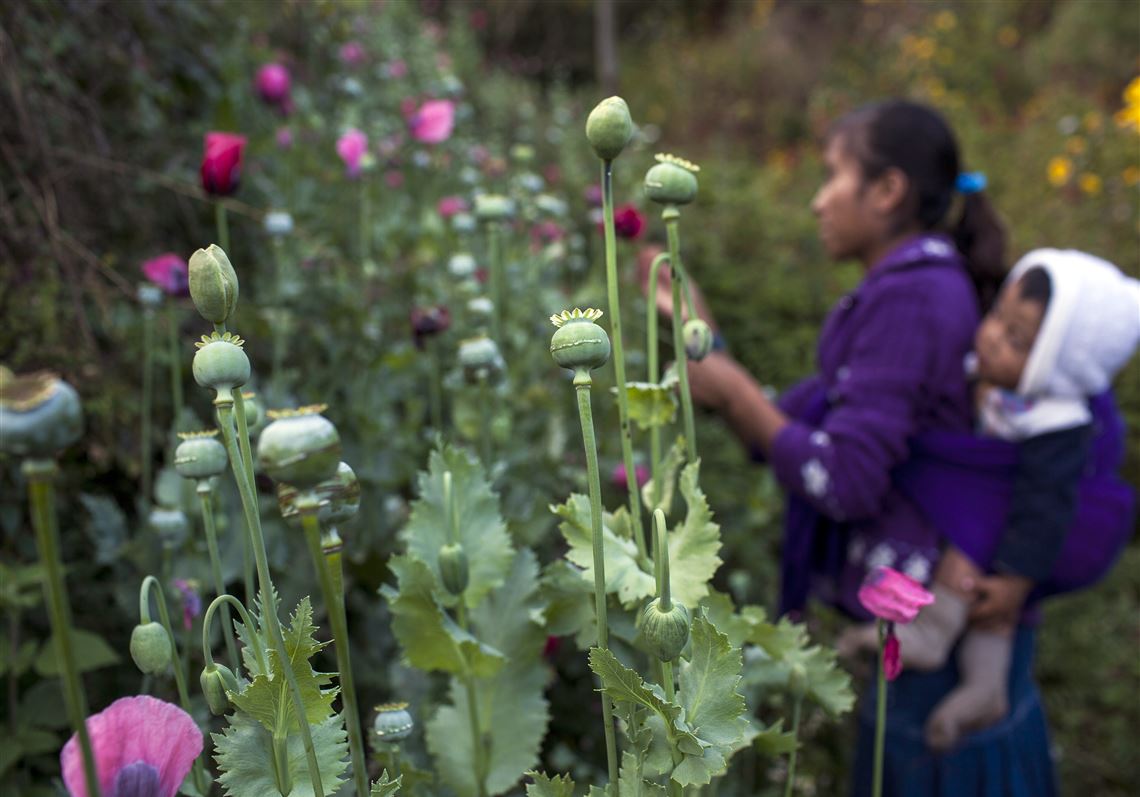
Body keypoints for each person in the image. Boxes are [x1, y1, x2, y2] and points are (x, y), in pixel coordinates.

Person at [651, 99, 1061, 796]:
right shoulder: (919, 286)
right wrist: (708, 349)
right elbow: (822, 428)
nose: (816, 201)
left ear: (887, 190)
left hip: (935, 641)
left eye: (832, 176)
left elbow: (844, 477)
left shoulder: (913, 300)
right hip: (930, 629)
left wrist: (737, 393)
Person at [838, 248, 1140, 751]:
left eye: (1016, 339)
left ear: (1058, 366)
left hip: (1020, 539)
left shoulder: (1057, 425)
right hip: (1003, 518)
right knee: (990, 601)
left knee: (985, 585)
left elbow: (1046, 508)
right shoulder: (1002, 382)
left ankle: (941, 646)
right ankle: (985, 690)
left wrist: (1017, 579)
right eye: (998, 316)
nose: (992, 336)